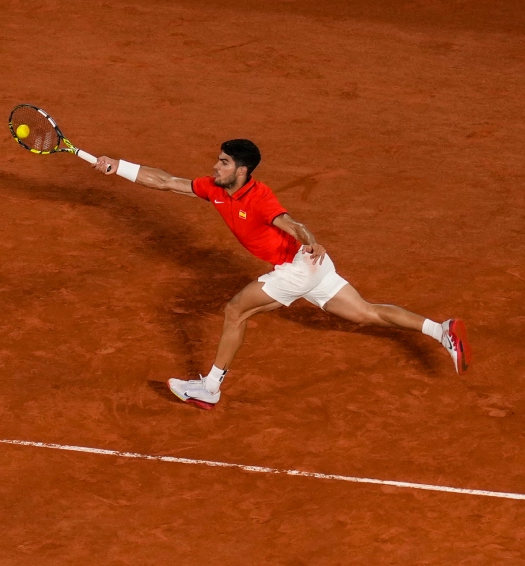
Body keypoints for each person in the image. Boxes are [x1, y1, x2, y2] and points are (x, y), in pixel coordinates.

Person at [91, 139, 470, 409]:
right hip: (312, 268)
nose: (215, 166)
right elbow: (166, 181)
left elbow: (291, 223)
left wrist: (310, 239)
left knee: (236, 311)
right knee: (365, 312)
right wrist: (118, 166)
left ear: (241, 170)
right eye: (217, 160)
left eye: (222, 162)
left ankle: (209, 387)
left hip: (299, 265)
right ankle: (442, 330)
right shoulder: (216, 190)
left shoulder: (260, 197)